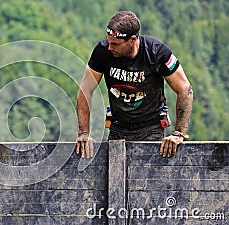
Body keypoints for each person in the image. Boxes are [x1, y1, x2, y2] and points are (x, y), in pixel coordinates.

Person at [75, 11, 193, 158]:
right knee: (114, 177)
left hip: (151, 129)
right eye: (109, 41)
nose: (110, 47)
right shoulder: (103, 52)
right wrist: (83, 133)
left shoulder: (157, 53)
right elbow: (85, 89)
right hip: (118, 127)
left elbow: (185, 89)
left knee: (147, 177)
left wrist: (178, 134)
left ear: (132, 39)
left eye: (115, 44)